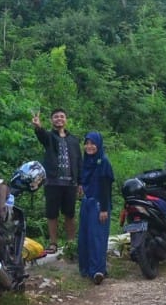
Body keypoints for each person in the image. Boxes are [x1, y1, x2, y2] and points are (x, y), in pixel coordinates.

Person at [31, 108, 82, 254]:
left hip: (70, 183)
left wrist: (80, 182)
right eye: (55, 117)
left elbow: (79, 161)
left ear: (66, 119)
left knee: (70, 214)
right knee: (52, 214)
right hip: (53, 182)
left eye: (61, 116)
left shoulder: (73, 140)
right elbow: (42, 136)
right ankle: (53, 243)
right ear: (52, 120)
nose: (59, 119)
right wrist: (38, 126)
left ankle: (70, 243)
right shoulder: (50, 137)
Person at [78, 131, 114, 284]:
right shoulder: (86, 161)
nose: (89, 146)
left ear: (98, 145)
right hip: (87, 202)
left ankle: (98, 271)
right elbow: (83, 180)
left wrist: (104, 208)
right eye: (87, 143)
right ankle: (86, 269)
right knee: (85, 237)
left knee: (97, 238)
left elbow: (106, 187)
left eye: (92, 143)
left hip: (99, 204)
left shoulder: (103, 162)